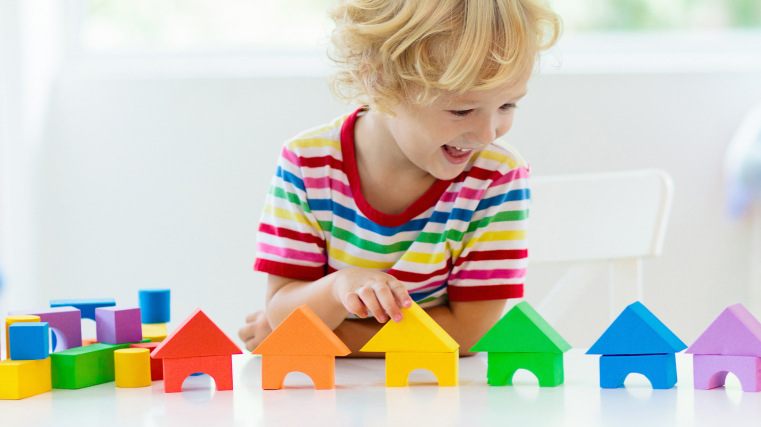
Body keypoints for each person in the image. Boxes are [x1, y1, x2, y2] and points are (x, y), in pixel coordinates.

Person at [238, 0, 561, 356]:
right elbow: (283, 308)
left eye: (507, 105)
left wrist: (321, 337)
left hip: (436, 393)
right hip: (335, 399)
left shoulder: (497, 178)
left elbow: (469, 333)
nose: (488, 133)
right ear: (377, 80)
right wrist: (337, 288)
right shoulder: (307, 163)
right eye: (462, 110)